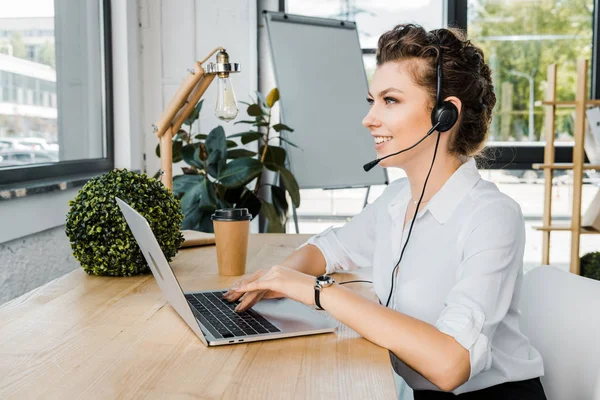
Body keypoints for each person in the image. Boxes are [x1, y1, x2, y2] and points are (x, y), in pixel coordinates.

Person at [222, 24, 546, 398]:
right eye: (371, 101)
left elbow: (451, 364)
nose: (369, 118)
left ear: (445, 114)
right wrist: (275, 280)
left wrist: (316, 292)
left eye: (390, 101)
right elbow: (328, 249)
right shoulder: (396, 200)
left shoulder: (491, 217)